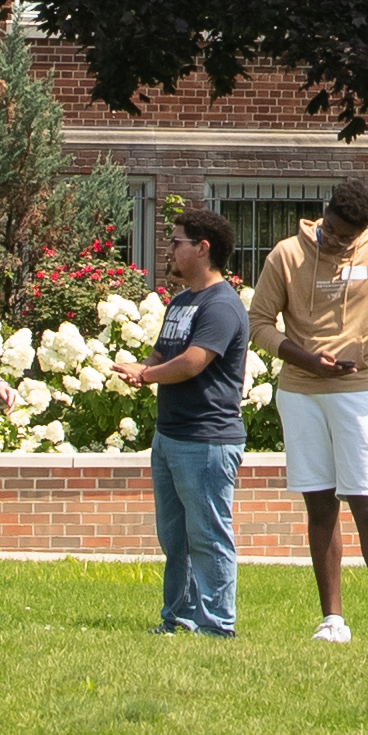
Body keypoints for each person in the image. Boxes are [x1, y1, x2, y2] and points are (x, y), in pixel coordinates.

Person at [249, 182, 368, 643]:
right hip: (301, 391)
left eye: (346, 237)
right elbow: (258, 323)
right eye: (331, 231)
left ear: (365, 229)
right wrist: (303, 358)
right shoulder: (287, 254)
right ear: (324, 213)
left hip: (359, 392)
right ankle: (332, 619)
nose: (335, 242)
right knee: (320, 502)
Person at [133, 202, 250, 637]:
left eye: (176, 241)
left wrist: (145, 376)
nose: (170, 248)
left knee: (208, 535)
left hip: (207, 439)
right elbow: (166, 351)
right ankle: (178, 617)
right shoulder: (182, 301)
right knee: (175, 538)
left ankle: (217, 624)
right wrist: (143, 367)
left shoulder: (222, 305)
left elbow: (193, 362)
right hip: (171, 435)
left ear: (202, 249)